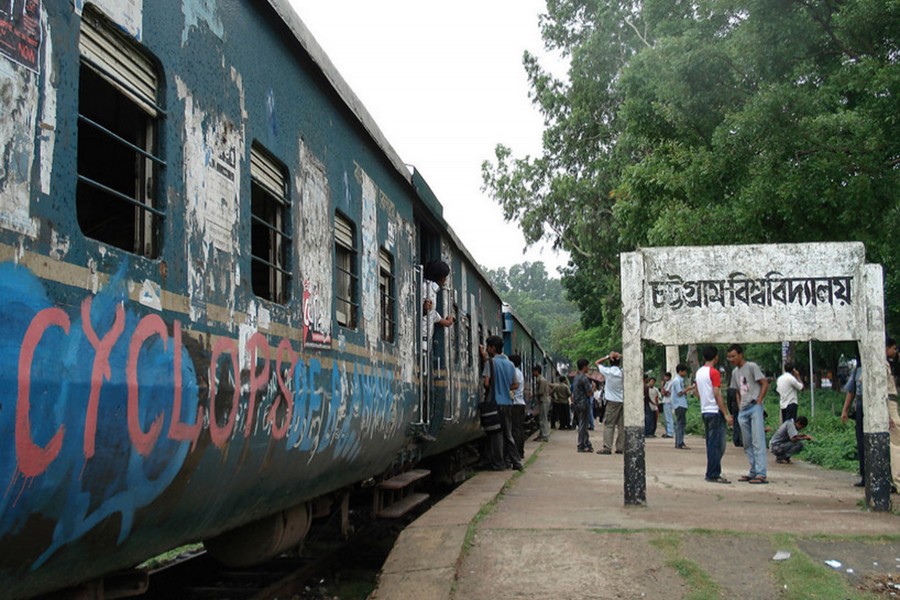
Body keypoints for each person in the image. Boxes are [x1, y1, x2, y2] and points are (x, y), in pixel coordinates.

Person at [727, 344, 770, 484]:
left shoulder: (752, 366)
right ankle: (753, 470)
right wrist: (740, 406)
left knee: (758, 440)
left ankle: (761, 472)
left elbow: (764, 383)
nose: (731, 359)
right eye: (729, 357)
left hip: (754, 406)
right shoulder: (735, 373)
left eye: (733, 356)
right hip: (743, 409)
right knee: (747, 442)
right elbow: (738, 390)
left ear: (740, 354)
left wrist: (759, 400)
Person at [481, 336, 522, 471]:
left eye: (488, 347)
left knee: (496, 435)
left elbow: (486, 383)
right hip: (508, 403)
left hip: (495, 403)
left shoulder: (490, 363)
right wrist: (505, 387)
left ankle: (498, 464)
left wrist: (494, 387)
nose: (487, 349)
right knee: (508, 434)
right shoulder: (510, 364)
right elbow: (515, 384)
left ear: (493, 348)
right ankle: (516, 461)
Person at [697, 346, 734, 483]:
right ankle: (713, 473)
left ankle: (712, 470)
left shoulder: (699, 372)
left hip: (705, 410)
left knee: (711, 443)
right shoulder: (714, 373)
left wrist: (704, 401)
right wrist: (725, 414)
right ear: (716, 357)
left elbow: (696, 391)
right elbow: (717, 393)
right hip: (714, 411)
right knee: (717, 444)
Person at [596, 351, 624, 455]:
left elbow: (597, 363)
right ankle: (620, 447)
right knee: (621, 425)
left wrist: (608, 356)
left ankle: (607, 447)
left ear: (610, 362)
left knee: (609, 425)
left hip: (611, 401)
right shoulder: (623, 372)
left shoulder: (607, 371)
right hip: (622, 401)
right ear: (619, 362)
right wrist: (620, 355)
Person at [571, 358, 594, 452]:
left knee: (582, 423)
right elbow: (589, 393)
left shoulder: (576, 377)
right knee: (583, 425)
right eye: (587, 366)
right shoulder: (584, 378)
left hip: (577, 403)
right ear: (584, 367)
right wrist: (593, 388)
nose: (588, 368)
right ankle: (581, 444)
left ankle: (586, 443)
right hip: (584, 403)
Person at [509, 354, 526, 460]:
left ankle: (516, 453)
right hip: (521, 403)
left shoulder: (514, 372)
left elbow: (513, 386)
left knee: (515, 429)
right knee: (519, 429)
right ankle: (520, 451)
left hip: (515, 403)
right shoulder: (519, 372)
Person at [671, 364, 690, 449]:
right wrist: (688, 389)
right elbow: (679, 392)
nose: (685, 373)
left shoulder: (679, 380)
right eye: (684, 371)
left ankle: (680, 441)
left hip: (681, 404)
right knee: (680, 424)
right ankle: (679, 442)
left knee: (681, 423)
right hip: (679, 404)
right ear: (680, 371)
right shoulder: (677, 381)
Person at [532, 365, 551, 442]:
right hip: (543, 401)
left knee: (543, 419)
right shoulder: (540, 379)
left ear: (537, 371)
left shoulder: (542, 380)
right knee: (542, 418)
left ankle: (545, 435)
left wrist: (533, 395)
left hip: (544, 401)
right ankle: (541, 434)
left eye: (533, 371)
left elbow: (541, 392)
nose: (533, 373)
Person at [660, 372, 674, 438]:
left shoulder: (670, 383)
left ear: (668, 377)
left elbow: (666, 393)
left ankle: (670, 432)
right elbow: (662, 393)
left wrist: (662, 386)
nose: (664, 378)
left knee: (669, 417)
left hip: (668, 401)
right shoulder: (667, 383)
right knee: (666, 418)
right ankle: (668, 431)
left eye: (665, 377)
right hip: (665, 401)